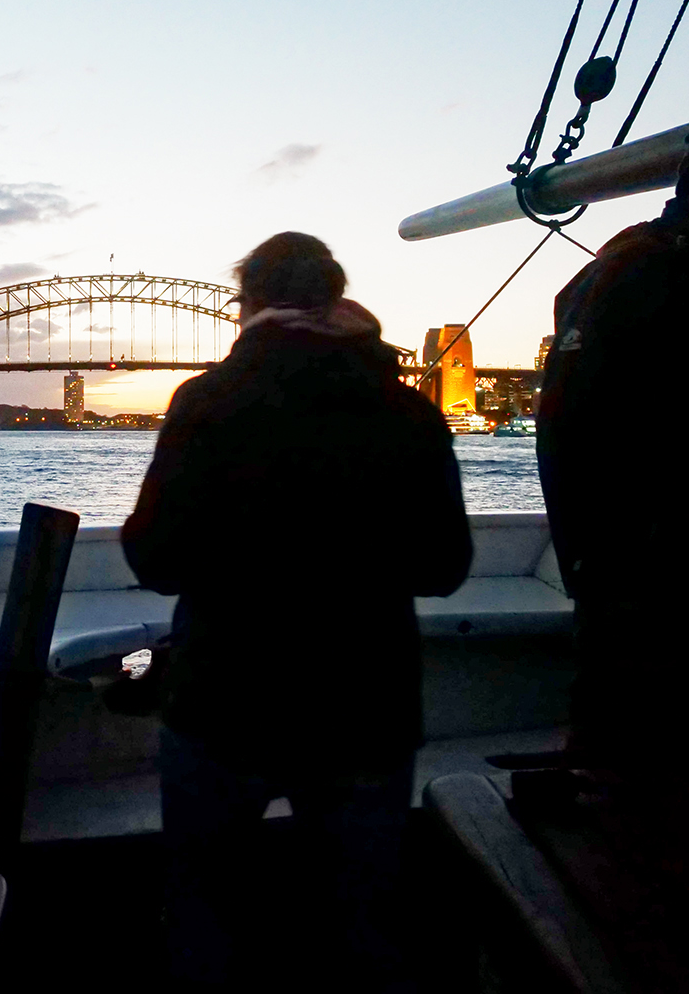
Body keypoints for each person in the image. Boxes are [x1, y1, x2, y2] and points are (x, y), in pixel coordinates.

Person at [121, 232, 472, 989]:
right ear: (337, 298)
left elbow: (156, 561)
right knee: (362, 921)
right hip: (366, 708)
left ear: (247, 304)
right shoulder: (408, 411)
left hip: (224, 702)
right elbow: (445, 568)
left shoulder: (207, 403)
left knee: (203, 914)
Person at [537, 113, 689, 775]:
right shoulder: (639, 265)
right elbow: (568, 420)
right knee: (633, 748)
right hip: (653, 563)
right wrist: (593, 555)